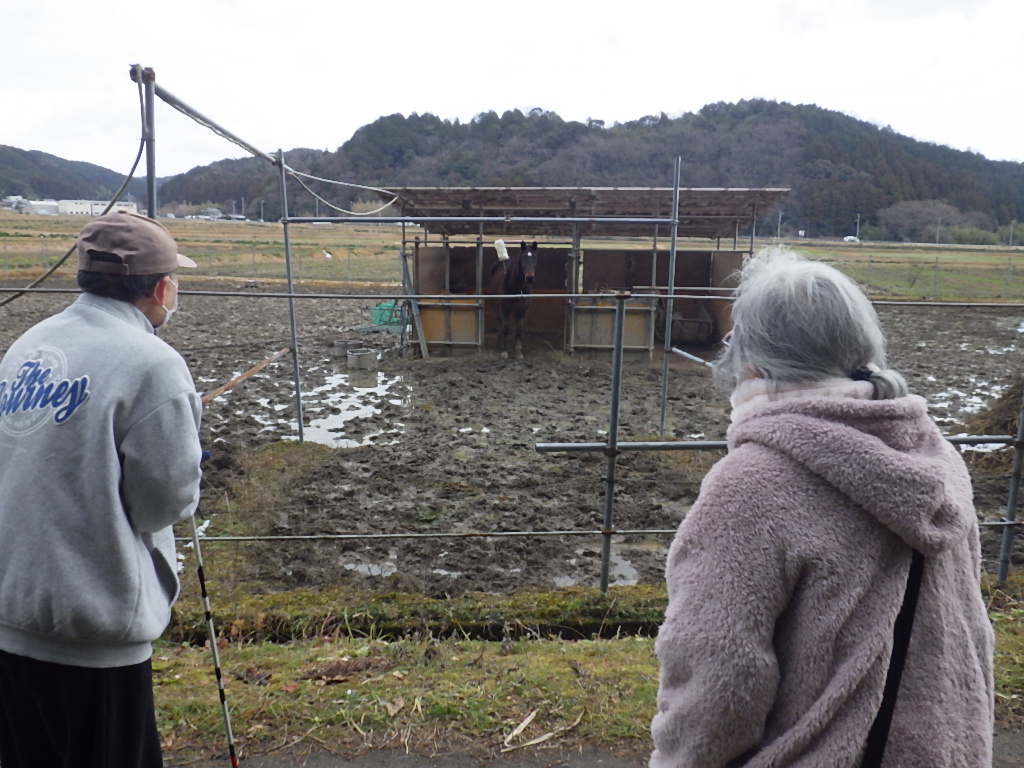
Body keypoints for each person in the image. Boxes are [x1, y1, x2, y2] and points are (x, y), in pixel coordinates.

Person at [650, 247, 994, 768]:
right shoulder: (939, 459)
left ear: (750, 361)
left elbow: (718, 678)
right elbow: (970, 635)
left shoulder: (751, 487)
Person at [0, 211, 202, 767]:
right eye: (174, 281)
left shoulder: (29, 345)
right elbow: (165, 501)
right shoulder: (151, 363)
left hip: (13, 615)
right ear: (161, 287)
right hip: (91, 628)